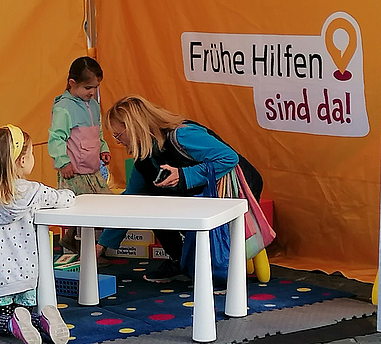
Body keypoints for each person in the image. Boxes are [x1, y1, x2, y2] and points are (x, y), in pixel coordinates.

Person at [96, 96, 261, 283]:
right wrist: (101, 245)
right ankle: (182, 261)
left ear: (133, 127)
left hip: (233, 190)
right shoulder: (144, 158)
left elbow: (229, 158)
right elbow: (131, 200)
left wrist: (184, 175)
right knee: (151, 203)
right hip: (202, 196)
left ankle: (214, 269)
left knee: (166, 202)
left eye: (118, 135)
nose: (118, 142)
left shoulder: (182, 135)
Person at [0, 125, 75, 344]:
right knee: (24, 312)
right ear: (21, 161)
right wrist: (70, 193)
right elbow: (65, 199)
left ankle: (13, 324)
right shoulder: (35, 192)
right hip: (29, 273)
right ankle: (43, 320)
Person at [47, 57, 111, 255]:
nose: (92, 92)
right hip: (73, 173)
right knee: (82, 210)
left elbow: (97, 131)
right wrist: (62, 162)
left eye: (96, 87)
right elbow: (56, 137)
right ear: (72, 83)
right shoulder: (64, 107)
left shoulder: (92, 104)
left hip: (92, 170)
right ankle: (88, 253)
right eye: (88, 87)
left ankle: (77, 243)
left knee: (105, 206)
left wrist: (103, 148)